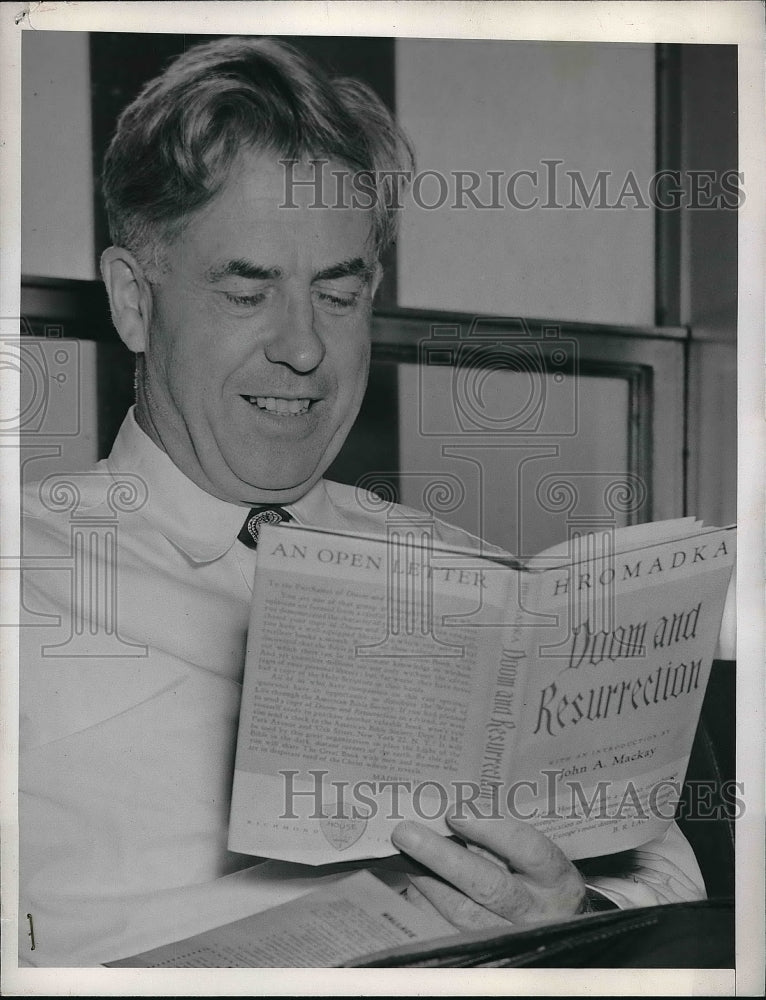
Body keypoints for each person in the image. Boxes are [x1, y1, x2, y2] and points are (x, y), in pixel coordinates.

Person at [18, 37, 706, 968]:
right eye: (247, 290)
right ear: (133, 301)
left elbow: (670, 870)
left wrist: (572, 906)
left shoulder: (472, 581)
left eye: (338, 295)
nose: (304, 347)